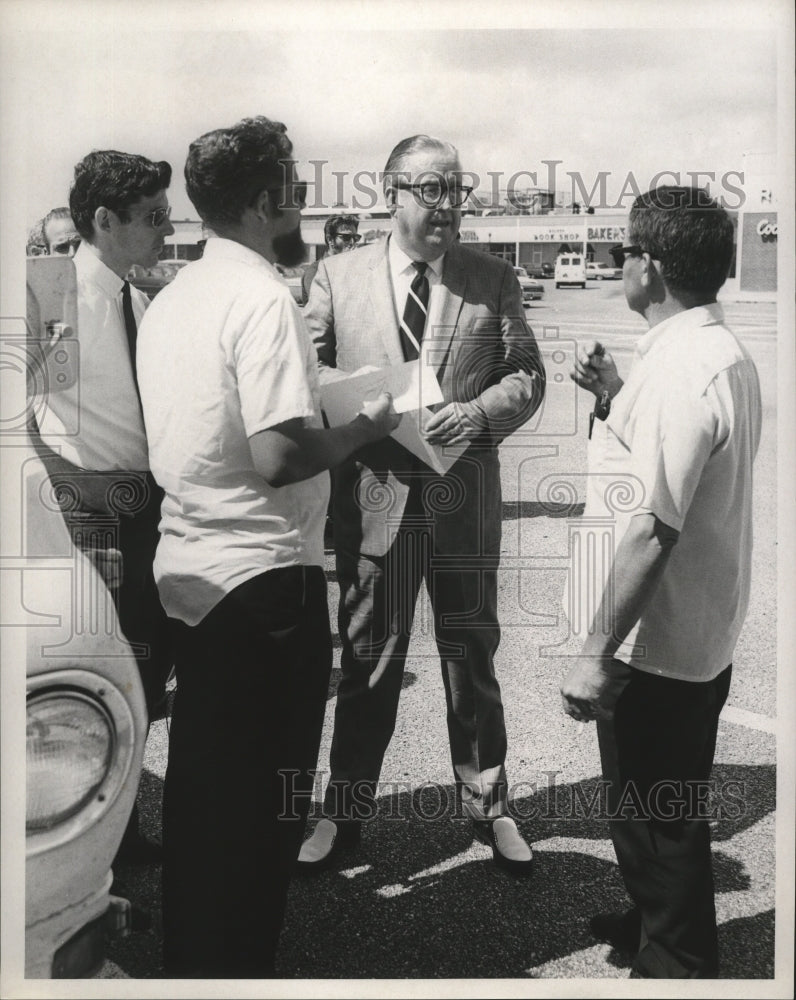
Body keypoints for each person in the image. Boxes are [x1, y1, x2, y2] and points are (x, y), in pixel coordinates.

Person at [135, 115, 399, 978]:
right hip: (261, 584)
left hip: (188, 567)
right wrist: (363, 427)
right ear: (263, 202)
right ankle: (231, 969)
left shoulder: (176, 295)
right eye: (292, 186)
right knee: (262, 815)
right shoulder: (263, 299)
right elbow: (279, 452)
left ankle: (193, 959)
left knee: (206, 793)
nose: (302, 200)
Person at [300, 134, 546, 875]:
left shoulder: (492, 277)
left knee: (472, 661)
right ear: (391, 194)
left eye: (457, 189)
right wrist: (359, 405)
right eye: (432, 189)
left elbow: (527, 374)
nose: (448, 205)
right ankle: (343, 816)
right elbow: (304, 366)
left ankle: (489, 806)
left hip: (464, 502)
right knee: (368, 665)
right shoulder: (337, 276)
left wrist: (475, 416)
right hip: (375, 503)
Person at [561, 186, 762, 978]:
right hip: (692, 626)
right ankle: (654, 913)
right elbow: (666, 466)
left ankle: (677, 961)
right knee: (645, 804)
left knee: (660, 812)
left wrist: (593, 651)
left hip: (658, 638)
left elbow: (652, 523)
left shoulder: (685, 369)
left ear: (651, 266)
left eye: (624, 253)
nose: (619, 265)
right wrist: (612, 393)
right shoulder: (705, 351)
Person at [28, 150, 176, 867]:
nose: (166, 226)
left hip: (148, 510)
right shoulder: (53, 287)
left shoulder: (140, 295)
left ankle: (119, 837)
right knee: (89, 683)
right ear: (104, 220)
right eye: (151, 217)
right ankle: (76, 854)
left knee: (142, 678)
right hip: (89, 508)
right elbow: (24, 394)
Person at [301, 213, 360, 304]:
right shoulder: (315, 271)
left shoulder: (354, 268)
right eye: (346, 237)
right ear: (330, 240)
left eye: (355, 238)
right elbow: (323, 306)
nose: (352, 242)